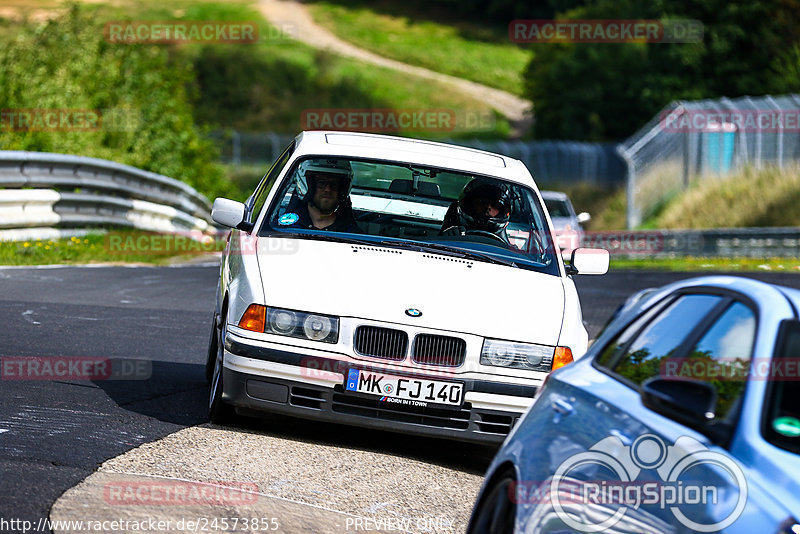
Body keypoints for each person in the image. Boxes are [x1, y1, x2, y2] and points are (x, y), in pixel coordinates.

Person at [278, 159, 360, 232]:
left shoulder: (353, 234)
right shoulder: (285, 228)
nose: (328, 189)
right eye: (321, 183)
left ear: (342, 189)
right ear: (308, 185)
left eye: (334, 184)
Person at [439, 178, 513, 244]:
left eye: (494, 205)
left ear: (502, 210)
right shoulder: (451, 237)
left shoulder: (510, 253)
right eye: (481, 202)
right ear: (469, 205)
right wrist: (445, 240)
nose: (488, 207)